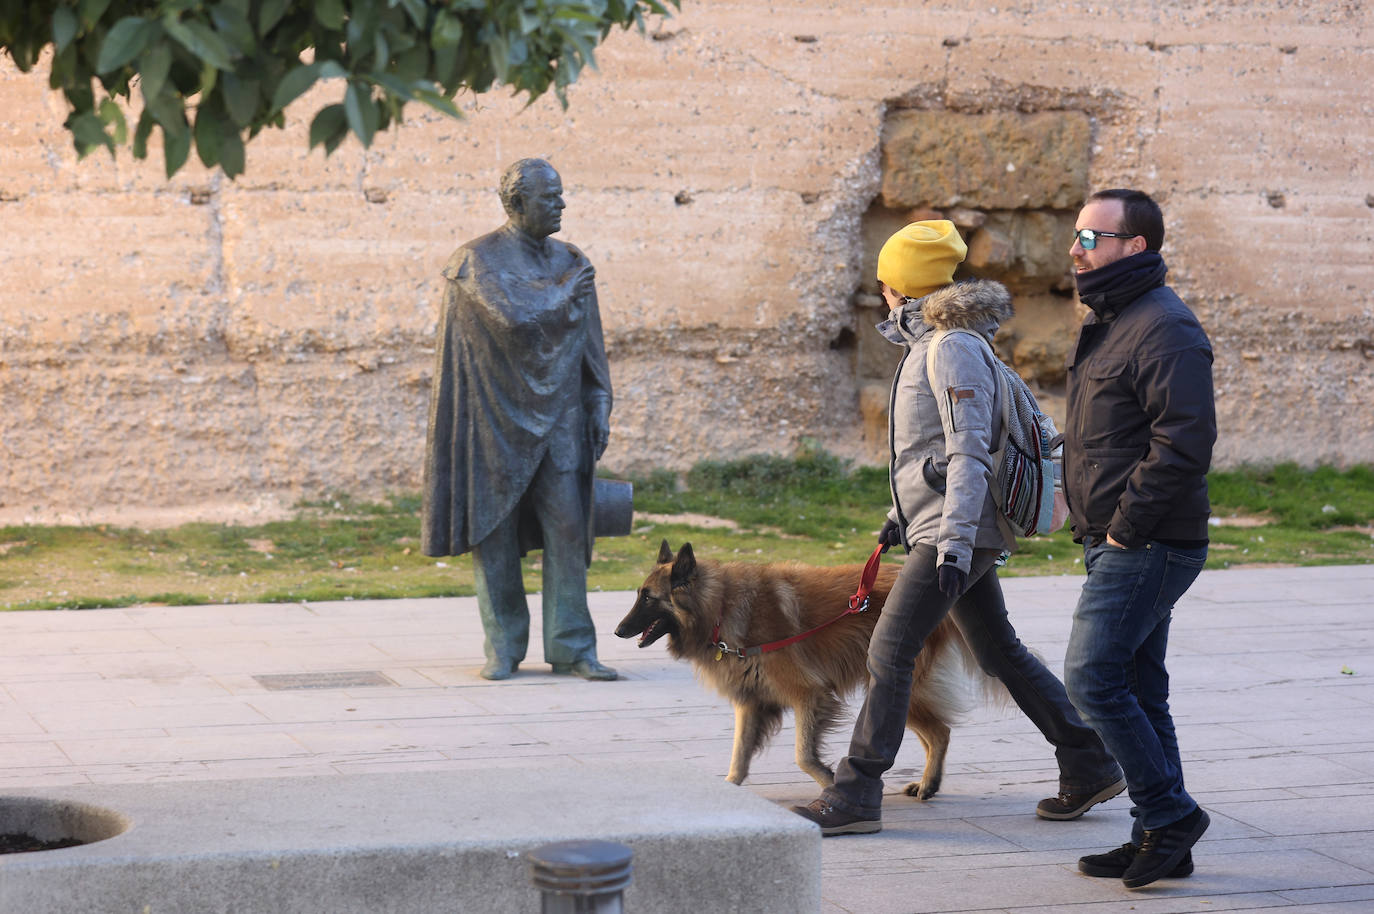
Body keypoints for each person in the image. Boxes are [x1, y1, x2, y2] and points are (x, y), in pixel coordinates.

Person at [792, 221, 1123, 835]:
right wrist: (900, 517)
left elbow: (970, 451)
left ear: (900, 286)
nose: (881, 291)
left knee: (889, 651)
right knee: (999, 651)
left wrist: (955, 540)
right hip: (943, 528)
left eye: (885, 280)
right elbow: (930, 453)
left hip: (954, 535)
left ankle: (857, 792)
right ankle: (1089, 760)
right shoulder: (929, 345)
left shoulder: (949, 347)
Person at [1060, 189, 1216, 888]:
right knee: (1138, 686)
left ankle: (1170, 813)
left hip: (1149, 541)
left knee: (1091, 676)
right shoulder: (1117, 319)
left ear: (1135, 247)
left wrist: (1123, 529)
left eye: (1091, 238)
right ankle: (1159, 836)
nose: (1076, 249)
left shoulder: (1165, 328)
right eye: (1077, 236)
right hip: (1115, 536)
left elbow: (1184, 441)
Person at [421, 158, 617, 682]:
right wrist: (560, 296)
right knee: (496, 535)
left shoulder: (571, 261)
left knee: (570, 531)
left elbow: (590, 342)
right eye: (549, 197)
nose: (561, 204)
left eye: (561, 194)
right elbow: (509, 317)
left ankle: (573, 646)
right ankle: (503, 646)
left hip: (561, 421)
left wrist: (599, 399)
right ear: (516, 203)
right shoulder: (475, 261)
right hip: (493, 420)